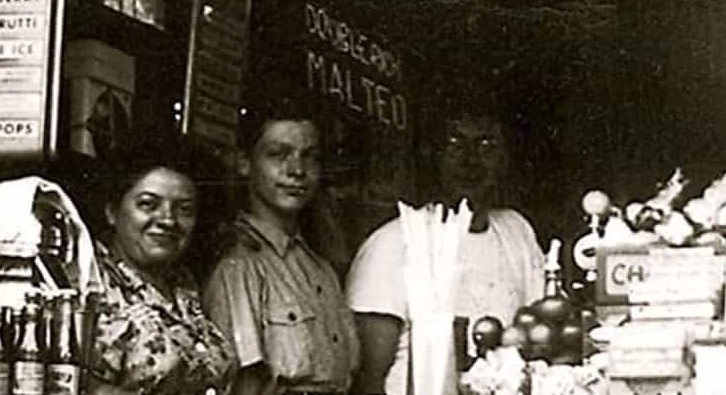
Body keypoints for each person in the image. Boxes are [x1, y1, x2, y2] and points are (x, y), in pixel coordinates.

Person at [345, 108, 542, 395]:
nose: (470, 159)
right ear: (430, 154)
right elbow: (367, 380)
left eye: (486, 144)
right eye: (454, 143)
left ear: (504, 158)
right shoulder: (392, 244)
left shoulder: (516, 231)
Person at [204, 101, 359, 395]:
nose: (297, 170)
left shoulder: (320, 267)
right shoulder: (239, 265)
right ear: (244, 162)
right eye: (278, 155)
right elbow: (240, 387)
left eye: (309, 157)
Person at [85, 138, 239, 395]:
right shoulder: (91, 283)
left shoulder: (184, 285)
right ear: (112, 211)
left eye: (184, 209)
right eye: (148, 204)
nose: (168, 220)